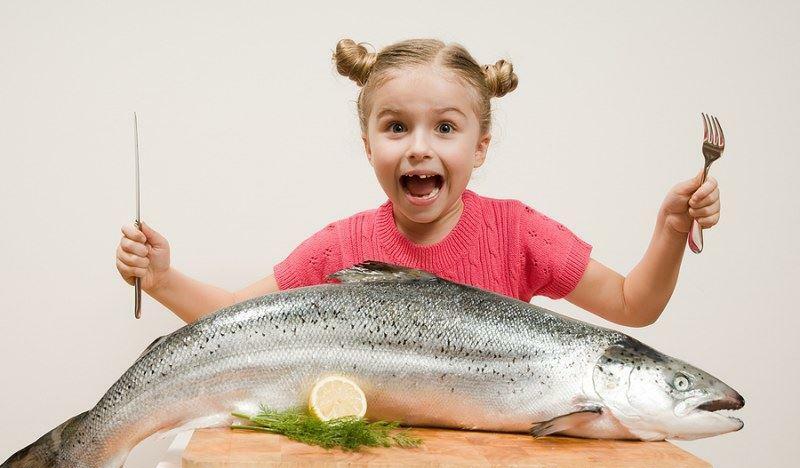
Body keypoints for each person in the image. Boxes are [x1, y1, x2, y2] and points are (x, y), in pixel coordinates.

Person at [116, 38, 720, 328]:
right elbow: (234, 321)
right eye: (397, 126)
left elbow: (631, 305)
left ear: (480, 147)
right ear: (368, 143)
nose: (419, 147)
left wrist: (670, 231)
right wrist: (163, 278)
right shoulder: (340, 248)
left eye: (446, 128)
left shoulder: (519, 234)